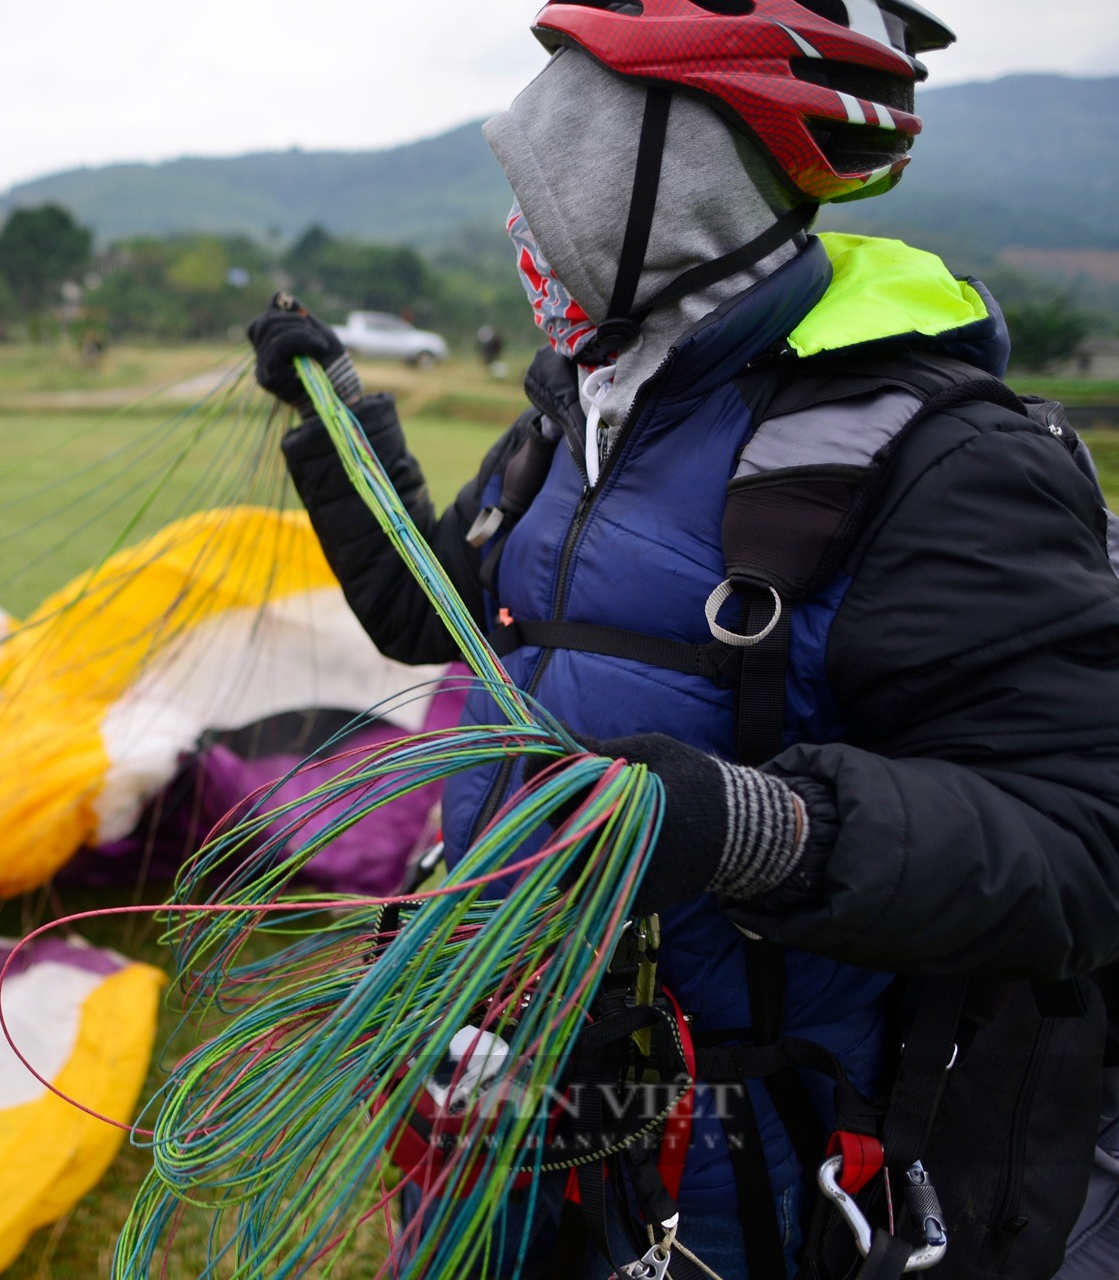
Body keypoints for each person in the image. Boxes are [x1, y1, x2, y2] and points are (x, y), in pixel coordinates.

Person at [249, 2, 1119, 1277]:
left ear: (672, 191)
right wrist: (335, 427)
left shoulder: (936, 459)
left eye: (550, 189)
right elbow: (452, 621)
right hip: (504, 1082)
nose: (523, 228)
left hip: (750, 1156)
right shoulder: (583, 418)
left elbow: (1082, 847)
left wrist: (754, 824)